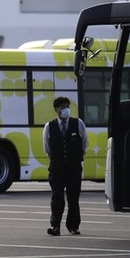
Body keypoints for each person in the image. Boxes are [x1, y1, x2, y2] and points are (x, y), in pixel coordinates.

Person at [42, 96, 88, 236]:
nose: (65, 110)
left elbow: (84, 144)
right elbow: (47, 148)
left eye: (67, 107)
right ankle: (55, 226)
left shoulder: (78, 123)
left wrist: (75, 157)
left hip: (73, 168)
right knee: (57, 197)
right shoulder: (49, 127)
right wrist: (58, 158)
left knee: (73, 198)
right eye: (62, 107)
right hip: (57, 168)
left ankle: (73, 226)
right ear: (56, 110)